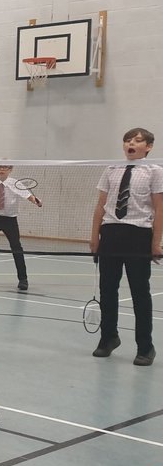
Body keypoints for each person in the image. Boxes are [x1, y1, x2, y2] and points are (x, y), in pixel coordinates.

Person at [90, 127, 163, 365]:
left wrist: (156, 242)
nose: (131, 144)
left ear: (148, 147)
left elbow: (160, 208)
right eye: (128, 140)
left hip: (138, 234)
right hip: (110, 233)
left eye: (137, 141)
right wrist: (95, 237)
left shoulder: (155, 171)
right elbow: (101, 205)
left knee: (139, 292)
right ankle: (108, 338)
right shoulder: (111, 169)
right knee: (107, 289)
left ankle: (145, 347)